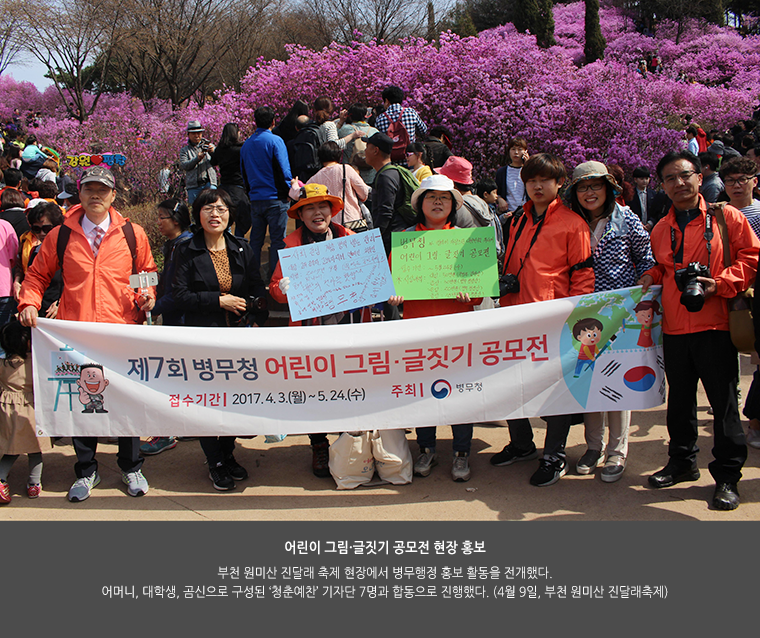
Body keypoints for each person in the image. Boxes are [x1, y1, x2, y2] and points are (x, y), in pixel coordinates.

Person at [18, 165, 157, 502]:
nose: (96, 195)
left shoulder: (132, 233)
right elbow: (37, 276)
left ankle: (130, 465)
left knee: (126, 402)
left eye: (103, 190)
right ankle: (86, 471)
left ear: (113, 195)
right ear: (79, 193)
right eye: (90, 189)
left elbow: (147, 272)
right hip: (76, 334)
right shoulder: (60, 235)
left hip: (121, 333)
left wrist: (147, 295)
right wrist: (29, 303)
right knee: (85, 403)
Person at [638, 150, 759, 510]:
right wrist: (651, 276)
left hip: (716, 324)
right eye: (670, 178)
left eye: (685, 175)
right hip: (675, 328)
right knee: (680, 403)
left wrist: (719, 284)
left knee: (722, 407)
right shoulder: (661, 228)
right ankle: (682, 462)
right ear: (662, 186)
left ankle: (727, 476)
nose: (679, 183)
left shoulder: (727, 217)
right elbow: (663, 267)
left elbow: (751, 259)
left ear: (699, 176)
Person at [491, 153, 595, 486]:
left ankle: (554, 454)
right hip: (514, 314)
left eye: (544, 180)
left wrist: (575, 319)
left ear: (559, 183)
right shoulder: (516, 220)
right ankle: (522, 444)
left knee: (556, 390)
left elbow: (582, 275)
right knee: (509, 384)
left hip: (554, 320)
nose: (537, 186)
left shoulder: (572, 223)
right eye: (531, 180)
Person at [270, 184, 370, 477]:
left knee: (347, 387)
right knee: (315, 390)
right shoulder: (291, 247)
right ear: (300, 215)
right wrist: (282, 290)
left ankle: (346, 443)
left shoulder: (349, 239)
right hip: (311, 331)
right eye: (310, 208)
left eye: (322, 206)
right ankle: (319, 444)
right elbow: (275, 289)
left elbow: (370, 281)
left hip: (347, 327)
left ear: (332, 210)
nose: (317, 213)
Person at [387, 175, 480, 481]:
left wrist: (472, 293)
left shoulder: (467, 239)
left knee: (461, 392)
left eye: (444, 198)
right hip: (418, 329)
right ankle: (426, 448)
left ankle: (461, 452)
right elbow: (391, 284)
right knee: (423, 392)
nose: (438, 202)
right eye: (431, 197)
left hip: (457, 330)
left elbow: (479, 292)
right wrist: (395, 296)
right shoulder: (406, 239)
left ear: (453, 205)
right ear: (420, 204)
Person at [172, 189, 266, 491]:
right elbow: (178, 296)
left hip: (238, 338)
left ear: (231, 215)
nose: (216, 214)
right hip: (203, 339)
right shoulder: (186, 250)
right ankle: (215, 462)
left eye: (222, 209)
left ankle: (227, 453)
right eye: (209, 208)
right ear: (198, 215)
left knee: (233, 401)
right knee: (207, 404)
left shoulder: (242, 248)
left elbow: (256, 287)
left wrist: (253, 308)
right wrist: (219, 301)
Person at [567, 161, 655, 482]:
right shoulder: (570, 221)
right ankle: (593, 446)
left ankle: (616, 452)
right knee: (589, 381)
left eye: (596, 186)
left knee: (618, 385)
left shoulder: (627, 218)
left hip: (620, 316)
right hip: (583, 316)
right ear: (574, 192)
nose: (590, 193)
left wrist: (645, 278)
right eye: (583, 187)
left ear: (609, 188)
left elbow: (647, 259)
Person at [139, 198, 194, 457]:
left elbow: (180, 292)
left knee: (173, 377)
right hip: (175, 318)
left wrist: (156, 306)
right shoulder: (173, 244)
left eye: (161, 217)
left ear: (176, 219)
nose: (158, 221)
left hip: (182, 320)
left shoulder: (185, 246)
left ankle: (166, 432)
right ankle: (183, 426)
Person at [0, 320, 50, 504]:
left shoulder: (3, 364)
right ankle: (34, 484)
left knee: (10, 450)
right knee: (35, 451)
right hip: (30, 410)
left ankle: (1, 478)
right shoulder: (34, 363)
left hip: (6, 409)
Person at [240, 106, 293, 280]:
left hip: (256, 198)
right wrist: (288, 191)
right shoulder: (276, 141)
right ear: (273, 121)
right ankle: (274, 278)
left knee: (256, 239)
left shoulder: (246, 144)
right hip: (276, 199)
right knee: (278, 241)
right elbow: (284, 169)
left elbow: (244, 172)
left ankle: (253, 278)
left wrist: (250, 193)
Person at [13, 202, 63, 320]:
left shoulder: (68, 251)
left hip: (60, 316)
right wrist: (18, 282)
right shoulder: (34, 250)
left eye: (46, 229)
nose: (41, 234)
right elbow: (26, 272)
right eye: (36, 229)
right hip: (39, 316)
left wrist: (62, 302)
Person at [305, 142, 369, 230]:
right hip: (352, 220)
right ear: (339, 155)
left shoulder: (316, 177)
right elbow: (364, 192)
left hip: (329, 224)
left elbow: (301, 193)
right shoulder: (346, 169)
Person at [210, 123, 251, 239]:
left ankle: (226, 242)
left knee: (225, 219)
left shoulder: (220, 150)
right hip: (237, 188)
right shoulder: (240, 150)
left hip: (223, 188)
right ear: (235, 134)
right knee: (243, 219)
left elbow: (212, 162)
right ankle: (237, 240)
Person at [373, 86, 428, 162]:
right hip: (410, 160)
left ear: (387, 101)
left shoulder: (380, 118)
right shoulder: (411, 112)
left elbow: (378, 141)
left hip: (391, 162)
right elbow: (423, 130)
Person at [338, 103, 379, 185]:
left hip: (351, 172)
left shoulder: (345, 130)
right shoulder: (374, 131)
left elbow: (333, 140)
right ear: (365, 115)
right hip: (370, 174)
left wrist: (341, 121)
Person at [179, 120, 217, 205]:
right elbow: (185, 165)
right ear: (188, 135)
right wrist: (197, 159)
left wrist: (213, 152)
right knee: (195, 211)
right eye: (193, 133)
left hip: (209, 183)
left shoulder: (209, 145)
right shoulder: (185, 151)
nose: (197, 136)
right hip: (194, 186)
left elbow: (217, 161)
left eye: (199, 133)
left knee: (212, 207)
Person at [495, 137, 529, 214]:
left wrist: (528, 166)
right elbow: (496, 192)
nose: (516, 152)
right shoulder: (502, 172)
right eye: (513, 149)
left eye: (520, 149)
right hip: (508, 214)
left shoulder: (528, 171)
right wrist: (499, 199)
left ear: (525, 152)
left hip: (525, 213)